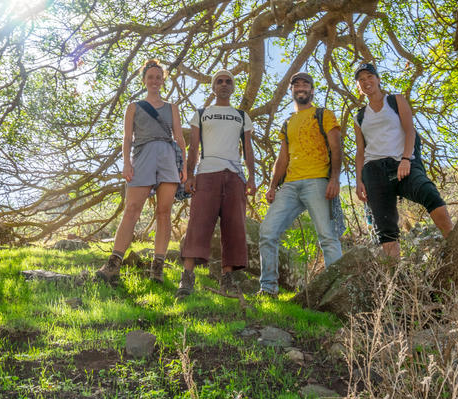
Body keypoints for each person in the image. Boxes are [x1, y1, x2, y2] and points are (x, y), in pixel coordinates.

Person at [96, 59, 187, 285]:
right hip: (143, 155)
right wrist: (126, 164)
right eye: (150, 77)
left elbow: (180, 138)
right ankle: (113, 264)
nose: (154, 81)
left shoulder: (172, 108)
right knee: (132, 209)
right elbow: (127, 138)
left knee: (164, 212)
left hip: (167, 157)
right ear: (144, 81)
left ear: (163, 80)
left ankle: (157, 268)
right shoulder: (134, 106)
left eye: (158, 77)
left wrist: (184, 166)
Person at [352, 61, 453, 260]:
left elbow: (410, 131)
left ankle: (454, 243)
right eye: (361, 80)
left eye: (370, 77)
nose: (366, 82)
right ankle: (395, 279)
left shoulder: (396, 101)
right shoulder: (359, 117)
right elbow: (360, 151)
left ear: (378, 79)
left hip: (402, 163)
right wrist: (358, 181)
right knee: (385, 226)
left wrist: (406, 159)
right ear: (358, 86)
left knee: (428, 192)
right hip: (373, 171)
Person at [258, 71, 343, 297]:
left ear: (312, 90)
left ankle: (339, 290)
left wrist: (334, 179)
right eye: (297, 85)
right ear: (292, 90)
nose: (301, 87)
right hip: (290, 185)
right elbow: (282, 158)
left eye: (306, 84)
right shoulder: (287, 123)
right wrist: (272, 185)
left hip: (317, 181)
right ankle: (268, 288)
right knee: (267, 232)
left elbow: (336, 147)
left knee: (327, 236)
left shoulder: (323, 114)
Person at [177, 70, 256, 299]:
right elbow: (193, 148)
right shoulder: (202, 114)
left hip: (234, 175)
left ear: (233, 87)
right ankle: (187, 277)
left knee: (234, 227)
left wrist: (251, 177)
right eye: (219, 81)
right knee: (198, 224)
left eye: (228, 81)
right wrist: (190, 175)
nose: (223, 84)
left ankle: (228, 279)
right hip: (207, 173)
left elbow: (248, 149)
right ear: (213, 87)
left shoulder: (241, 116)